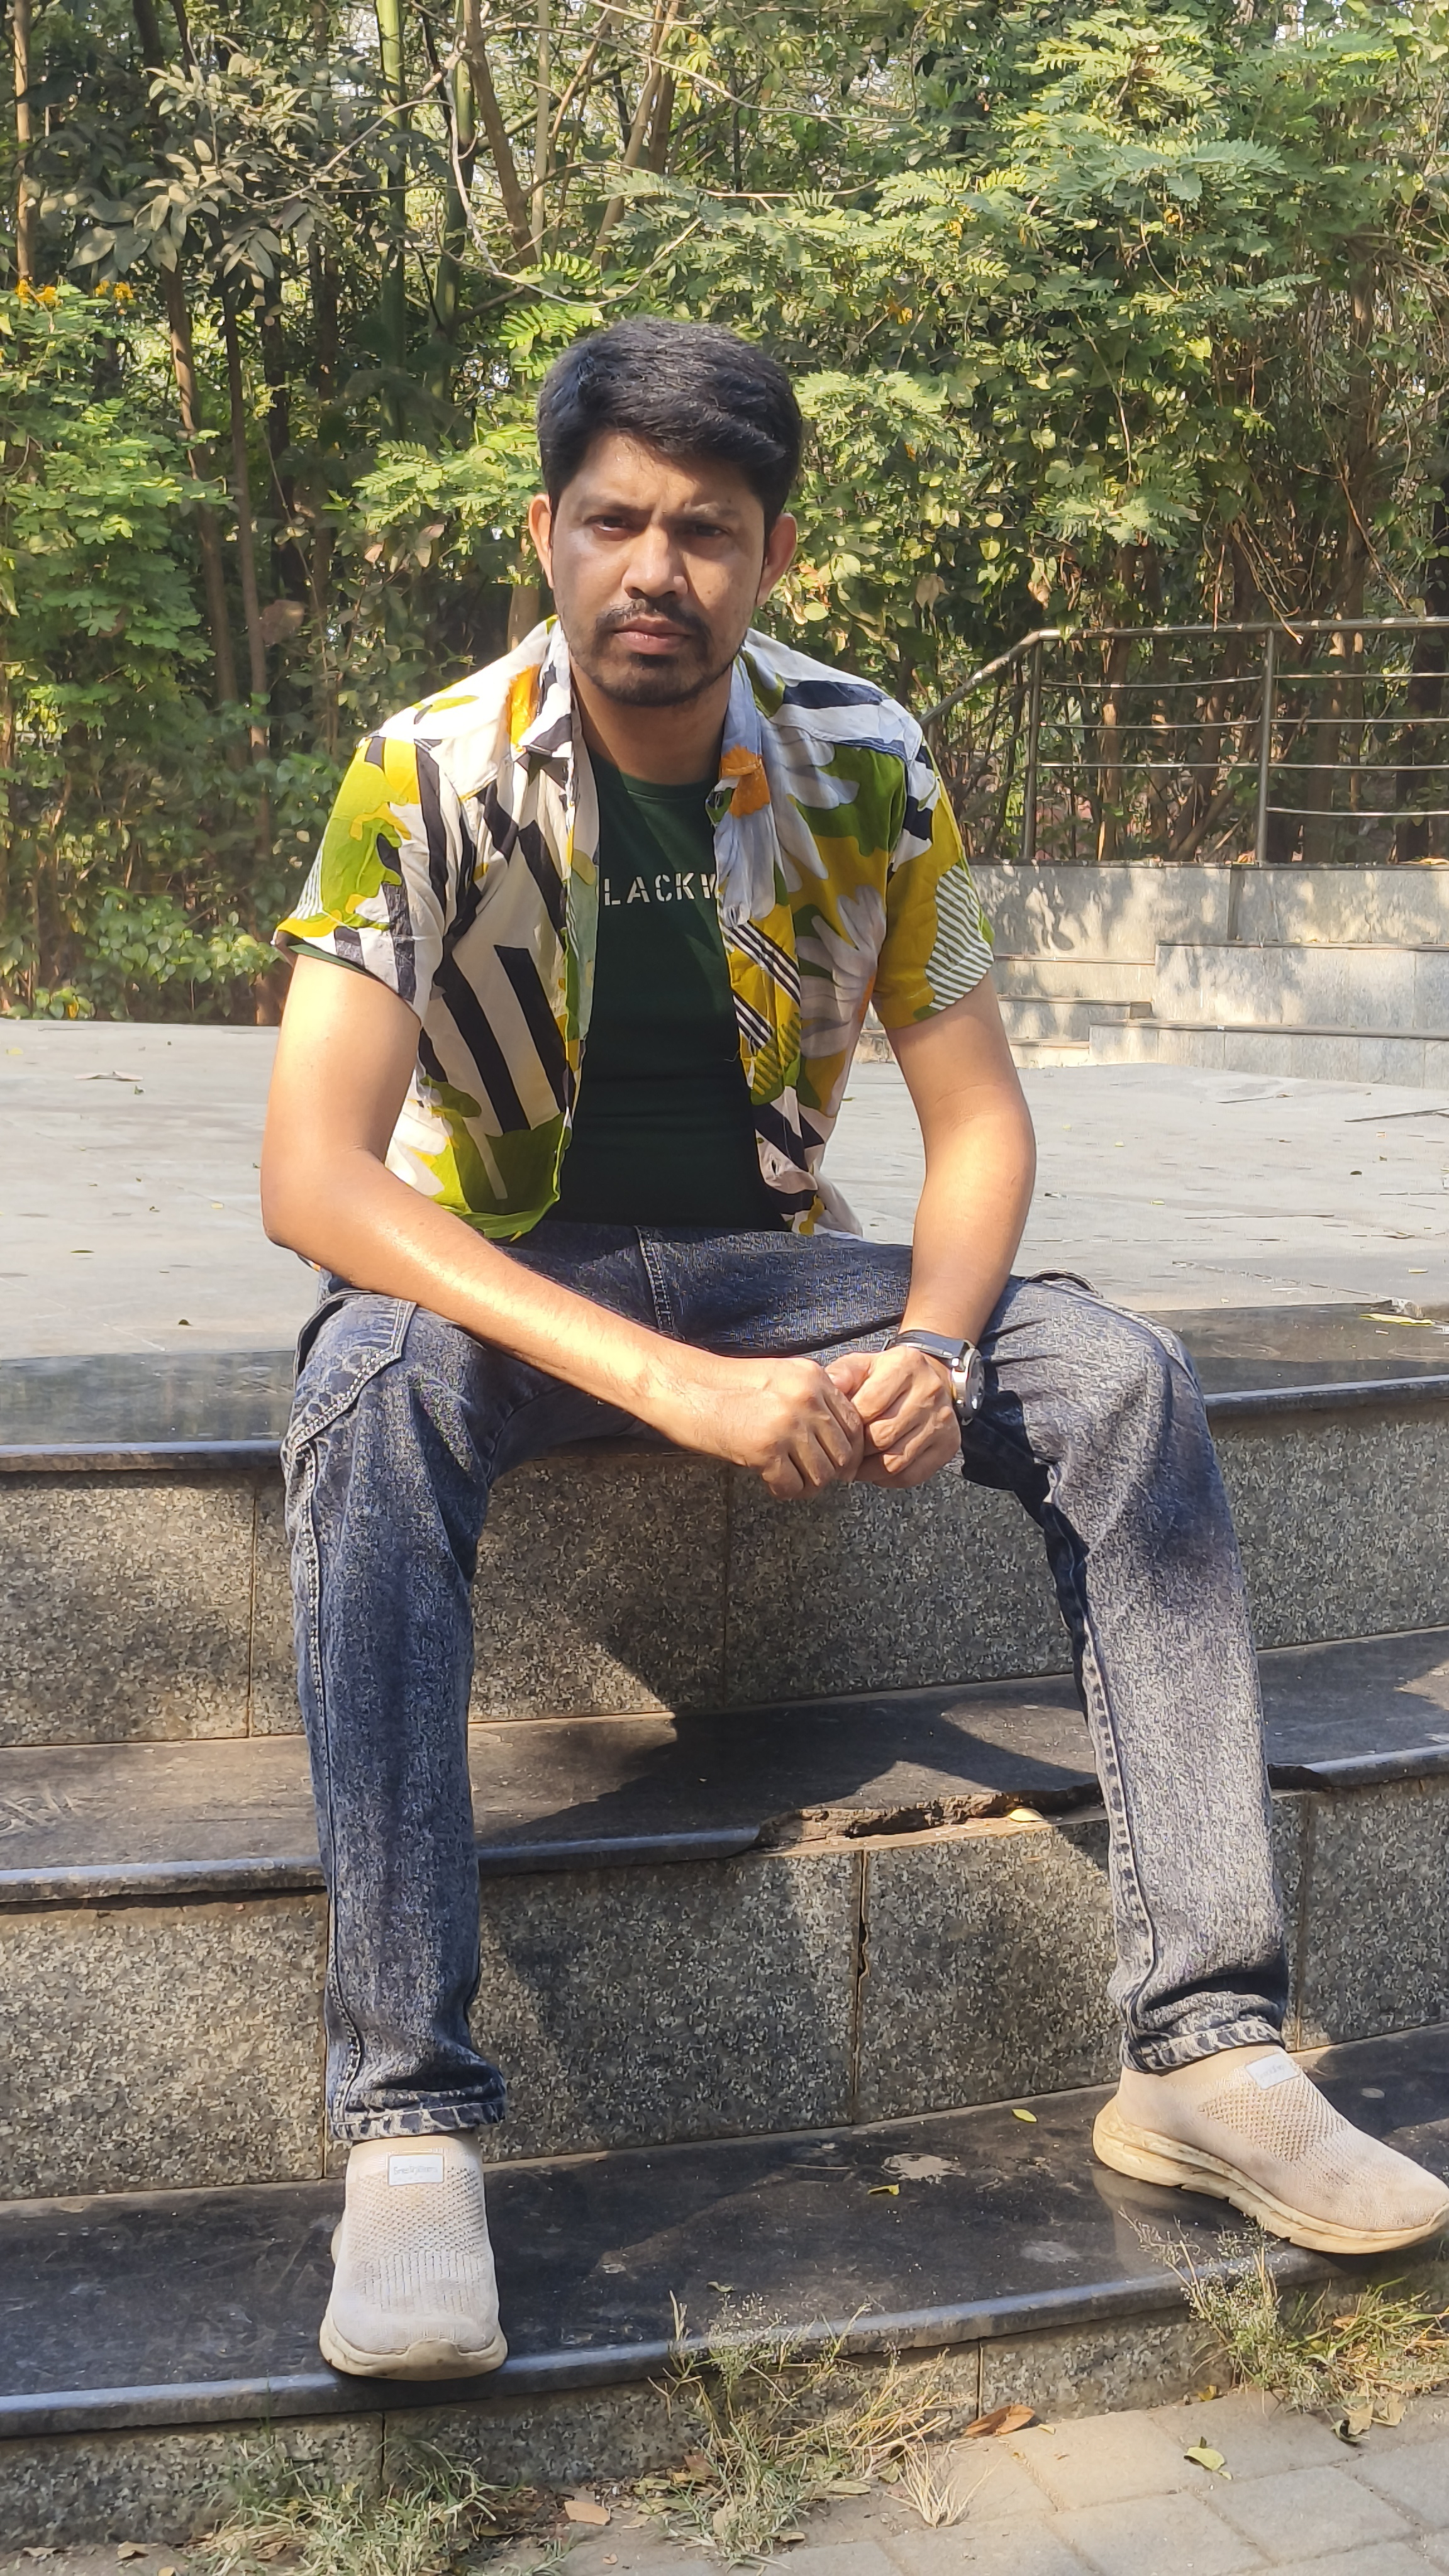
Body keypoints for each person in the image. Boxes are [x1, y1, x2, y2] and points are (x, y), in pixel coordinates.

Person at [262, 318, 1448, 2382]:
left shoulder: (869, 760)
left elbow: (979, 1123)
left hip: (770, 1269)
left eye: (705, 531)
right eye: (614, 522)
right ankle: (411, 2129)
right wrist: (669, 1388)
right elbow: (314, 1175)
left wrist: (934, 1342)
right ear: (545, 534)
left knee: (1115, 1374)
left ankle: (1205, 2049)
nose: (655, 570)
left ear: (773, 554)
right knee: (364, 1392)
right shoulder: (421, 773)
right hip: (504, 1283)